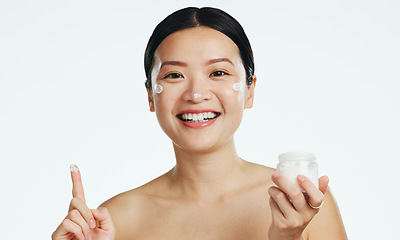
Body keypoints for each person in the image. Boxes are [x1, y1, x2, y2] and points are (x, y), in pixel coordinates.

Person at [52, 7, 347, 240]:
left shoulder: (302, 205)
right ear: (150, 95)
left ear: (250, 90)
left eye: (218, 73)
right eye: (173, 76)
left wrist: (289, 239)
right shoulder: (113, 220)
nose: (195, 94)